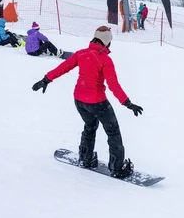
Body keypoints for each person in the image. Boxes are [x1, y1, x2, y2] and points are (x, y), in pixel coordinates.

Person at [32, 25, 143, 179]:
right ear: (106, 42)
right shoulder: (105, 59)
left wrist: (46, 79)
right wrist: (127, 102)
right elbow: (113, 84)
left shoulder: (81, 54)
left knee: (90, 126)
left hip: (79, 100)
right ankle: (117, 168)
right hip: (97, 102)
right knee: (113, 133)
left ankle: (86, 158)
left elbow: (63, 67)